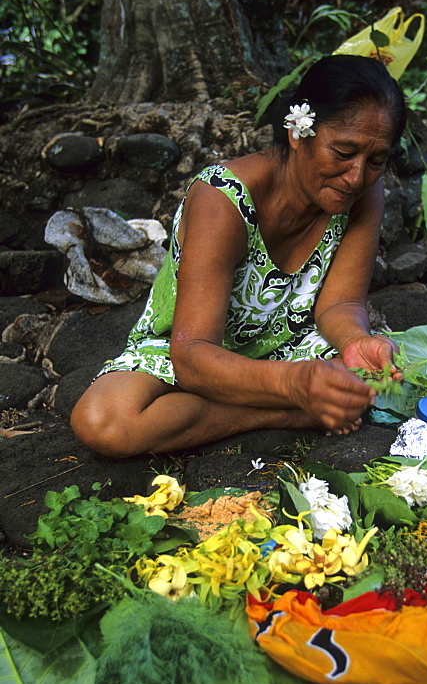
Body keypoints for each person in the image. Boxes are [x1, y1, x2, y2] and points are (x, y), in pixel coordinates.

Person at [71, 55, 407, 458]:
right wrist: (294, 390)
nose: (356, 176)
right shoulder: (222, 199)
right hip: (196, 349)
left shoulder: (365, 193)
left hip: (293, 345)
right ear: (298, 132)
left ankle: (294, 401)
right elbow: (192, 355)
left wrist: (354, 342)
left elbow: (341, 303)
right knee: (104, 421)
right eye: (343, 152)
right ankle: (288, 415)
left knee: (364, 381)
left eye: (376, 160)